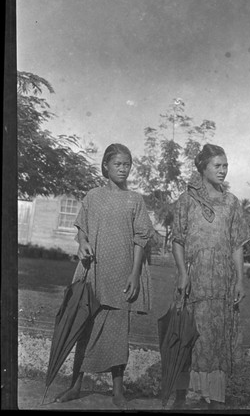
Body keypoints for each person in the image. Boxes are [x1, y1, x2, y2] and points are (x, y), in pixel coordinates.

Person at [55, 143, 154, 409]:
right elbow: (82, 231)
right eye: (118, 164)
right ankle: (75, 386)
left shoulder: (135, 200)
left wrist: (134, 274)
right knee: (84, 328)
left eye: (127, 164)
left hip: (122, 274)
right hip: (93, 273)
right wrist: (82, 244)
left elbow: (141, 240)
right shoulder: (92, 197)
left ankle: (118, 392)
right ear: (105, 167)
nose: (123, 169)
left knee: (118, 332)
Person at [171, 143, 250, 409]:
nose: (223, 170)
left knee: (217, 338)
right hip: (195, 280)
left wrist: (240, 279)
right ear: (202, 168)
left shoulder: (232, 202)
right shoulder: (186, 200)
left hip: (223, 284)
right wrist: (183, 273)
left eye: (225, 165)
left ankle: (216, 399)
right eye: (217, 165)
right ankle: (182, 398)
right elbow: (178, 240)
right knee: (188, 335)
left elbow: (237, 244)